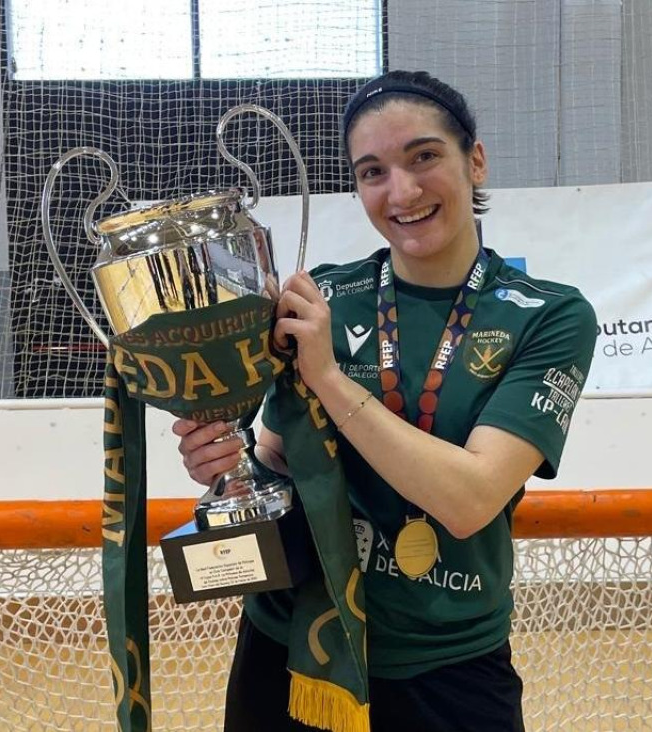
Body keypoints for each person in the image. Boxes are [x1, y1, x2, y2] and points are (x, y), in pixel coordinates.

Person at [173, 70, 597, 731]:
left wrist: (330, 380)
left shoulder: (548, 316)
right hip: (296, 653)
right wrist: (224, 465)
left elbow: (469, 500)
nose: (401, 191)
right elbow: (278, 465)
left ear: (475, 160)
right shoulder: (323, 302)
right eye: (373, 171)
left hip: (446, 663)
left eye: (424, 157)